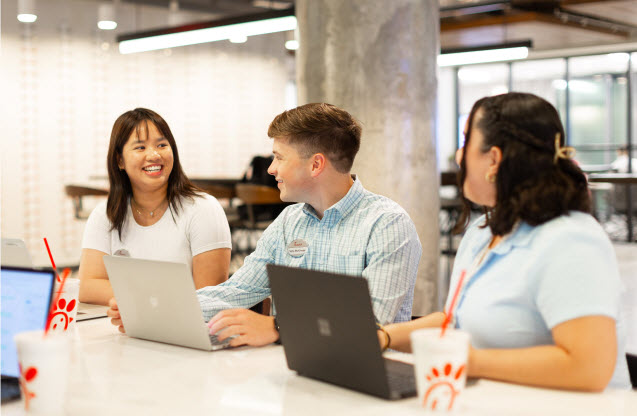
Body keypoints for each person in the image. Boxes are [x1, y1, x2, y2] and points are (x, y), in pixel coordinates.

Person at [108, 103, 422, 347]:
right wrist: (155, 307)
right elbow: (236, 292)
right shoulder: (289, 223)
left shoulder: (387, 225)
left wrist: (276, 327)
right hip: (294, 373)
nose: (270, 169)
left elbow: (369, 322)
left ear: (316, 164)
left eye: (278, 157)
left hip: (364, 385)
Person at [377, 92, 631, 391]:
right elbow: (458, 320)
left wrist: (466, 360)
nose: (459, 157)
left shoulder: (571, 241)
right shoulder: (484, 232)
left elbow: (588, 368)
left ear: (494, 159)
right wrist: (385, 336)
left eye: (465, 142)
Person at [79, 108, 232, 306]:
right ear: (119, 160)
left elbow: (208, 299)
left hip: (186, 331)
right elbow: (87, 286)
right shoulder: (105, 214)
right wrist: (150, 298)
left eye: (162, 145)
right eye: (140, 148)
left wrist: (137, 298)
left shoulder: (203, 209)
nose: (154, 155)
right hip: (122, 327)